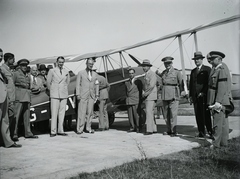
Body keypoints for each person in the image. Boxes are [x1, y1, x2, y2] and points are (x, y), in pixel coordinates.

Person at [207, 51, 232, 149]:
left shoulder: (221, 69)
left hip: (218, 99)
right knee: (223, 122)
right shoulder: (216, 69)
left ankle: (215, 144)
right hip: (221, 99)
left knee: (217, 122)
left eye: (213, 59)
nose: (211, 61)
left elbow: (221, 87)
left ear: (219, 59)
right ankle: (224, 142)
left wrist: (217, 102)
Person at [189, 51, 213, 138]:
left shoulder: (207, 69)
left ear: (202, 60)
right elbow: (191, 84)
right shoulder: (193, 71)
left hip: (204, 96)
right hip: (195, 97)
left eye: (198, 59)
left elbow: (209, 83)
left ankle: (210, 131)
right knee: (198, 115)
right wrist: (191, 96)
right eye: (195, 59)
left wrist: (203, 92)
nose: (196, 61)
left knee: (206, 115)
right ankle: (201, 132)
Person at [13, 59, 38, 141]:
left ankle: (28, 133)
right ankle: (14, 134)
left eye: (25, 65)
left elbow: (30, 86)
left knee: (27, 117)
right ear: (19, 66)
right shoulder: (15, 74)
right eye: (23, 65)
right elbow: (12, 85)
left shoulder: (27, 75)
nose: (24, 67)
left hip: (27, 97)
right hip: (19, 97)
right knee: (16, 117)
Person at [159, 56, 183, 137]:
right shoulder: (163, 73)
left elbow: (181, 83)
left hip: (173, 95)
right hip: (165, 95)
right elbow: (161, 83)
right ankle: (168, 129)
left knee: (173, 114)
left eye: (169, 63)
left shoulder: (176, 72)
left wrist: (179, 93)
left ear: (171, 63)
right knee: (166, 114)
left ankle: (173, 131)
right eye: (165, 63)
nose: (167, 65)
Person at [47, 56, 70, 137]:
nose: (61, 64)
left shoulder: (66, 71)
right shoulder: (52, 71)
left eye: (62, 62)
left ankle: (60, 130)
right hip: (55, 94)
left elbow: (68, 82)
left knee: (62, 113)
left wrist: (62, 89)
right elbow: (48, 83)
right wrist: (53, 91)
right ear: (57, 62)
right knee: (54, 113)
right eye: (59, 62)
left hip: (63, 94)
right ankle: (53, 131)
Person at [76, 58, 98, 134]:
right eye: (89, 64)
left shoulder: (95, 74)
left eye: (92, 64)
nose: (91, 65)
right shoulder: (80, 73)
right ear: (86, 64)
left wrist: (97, 94)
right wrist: (78, 94)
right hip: (83, 95)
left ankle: (88, 128)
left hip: (91, 96)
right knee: (82, 112)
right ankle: (80, 129)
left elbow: (97, 84)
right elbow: (78, 84)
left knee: (90, 113)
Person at [0, 70, 22, 148]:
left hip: (4, 98)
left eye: (1, 56)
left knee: (5, 121)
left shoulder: (1, 70)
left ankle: (8, 142)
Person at [0, 53, 16, 138]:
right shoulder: (2, 69)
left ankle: (8, 137)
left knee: (11, 117)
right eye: (13, 59)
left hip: (11, 97)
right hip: (6, 97)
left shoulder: (8, 69)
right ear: (8, 59)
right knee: (7, 119)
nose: (14, 61)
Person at [141, 59, 157, 135]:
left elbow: (151, 85)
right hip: (149, 96)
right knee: (151, 112)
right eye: (143, 66)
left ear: (149, 67)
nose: (144, 68)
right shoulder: (146, 74)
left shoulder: (152, 74)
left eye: (145, 66)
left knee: (149, 112)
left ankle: (149, 130)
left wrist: (145, 94)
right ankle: (153, 129)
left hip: (150, 96)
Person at [125, 68, 143, 133]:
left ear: (134, 74)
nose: (131, 75)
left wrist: (140, 100)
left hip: (136, 99)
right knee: (130, 115)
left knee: (136, 115)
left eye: (132, 73)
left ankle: (138, 127)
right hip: (129, 100)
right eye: (130, 73)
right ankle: (132, 127)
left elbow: (140, 91)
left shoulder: (138, 81)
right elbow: (126, 92)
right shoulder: (126, 82)